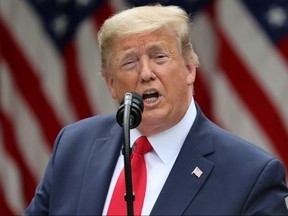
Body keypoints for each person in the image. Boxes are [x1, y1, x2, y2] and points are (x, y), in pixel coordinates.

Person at [24, 4, 288, 215]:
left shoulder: (251, 176)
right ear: (111, 84)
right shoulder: (74, 145)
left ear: (189, 69)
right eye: (129, 62)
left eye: (159, 56)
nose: (146, 73)